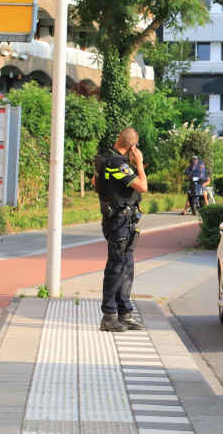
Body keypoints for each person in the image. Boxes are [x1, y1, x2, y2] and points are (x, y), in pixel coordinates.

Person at [92, 128, 148, 332]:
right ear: (133, 146)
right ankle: (108, 316)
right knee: (117, 267)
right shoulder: (118, 164)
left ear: (118, 138)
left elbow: (94, 182)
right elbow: (142, 187)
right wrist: (139, 163)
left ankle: (124, 313)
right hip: (120, 221)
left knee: (126, 266)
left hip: (118, 219)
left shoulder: (104, 158)